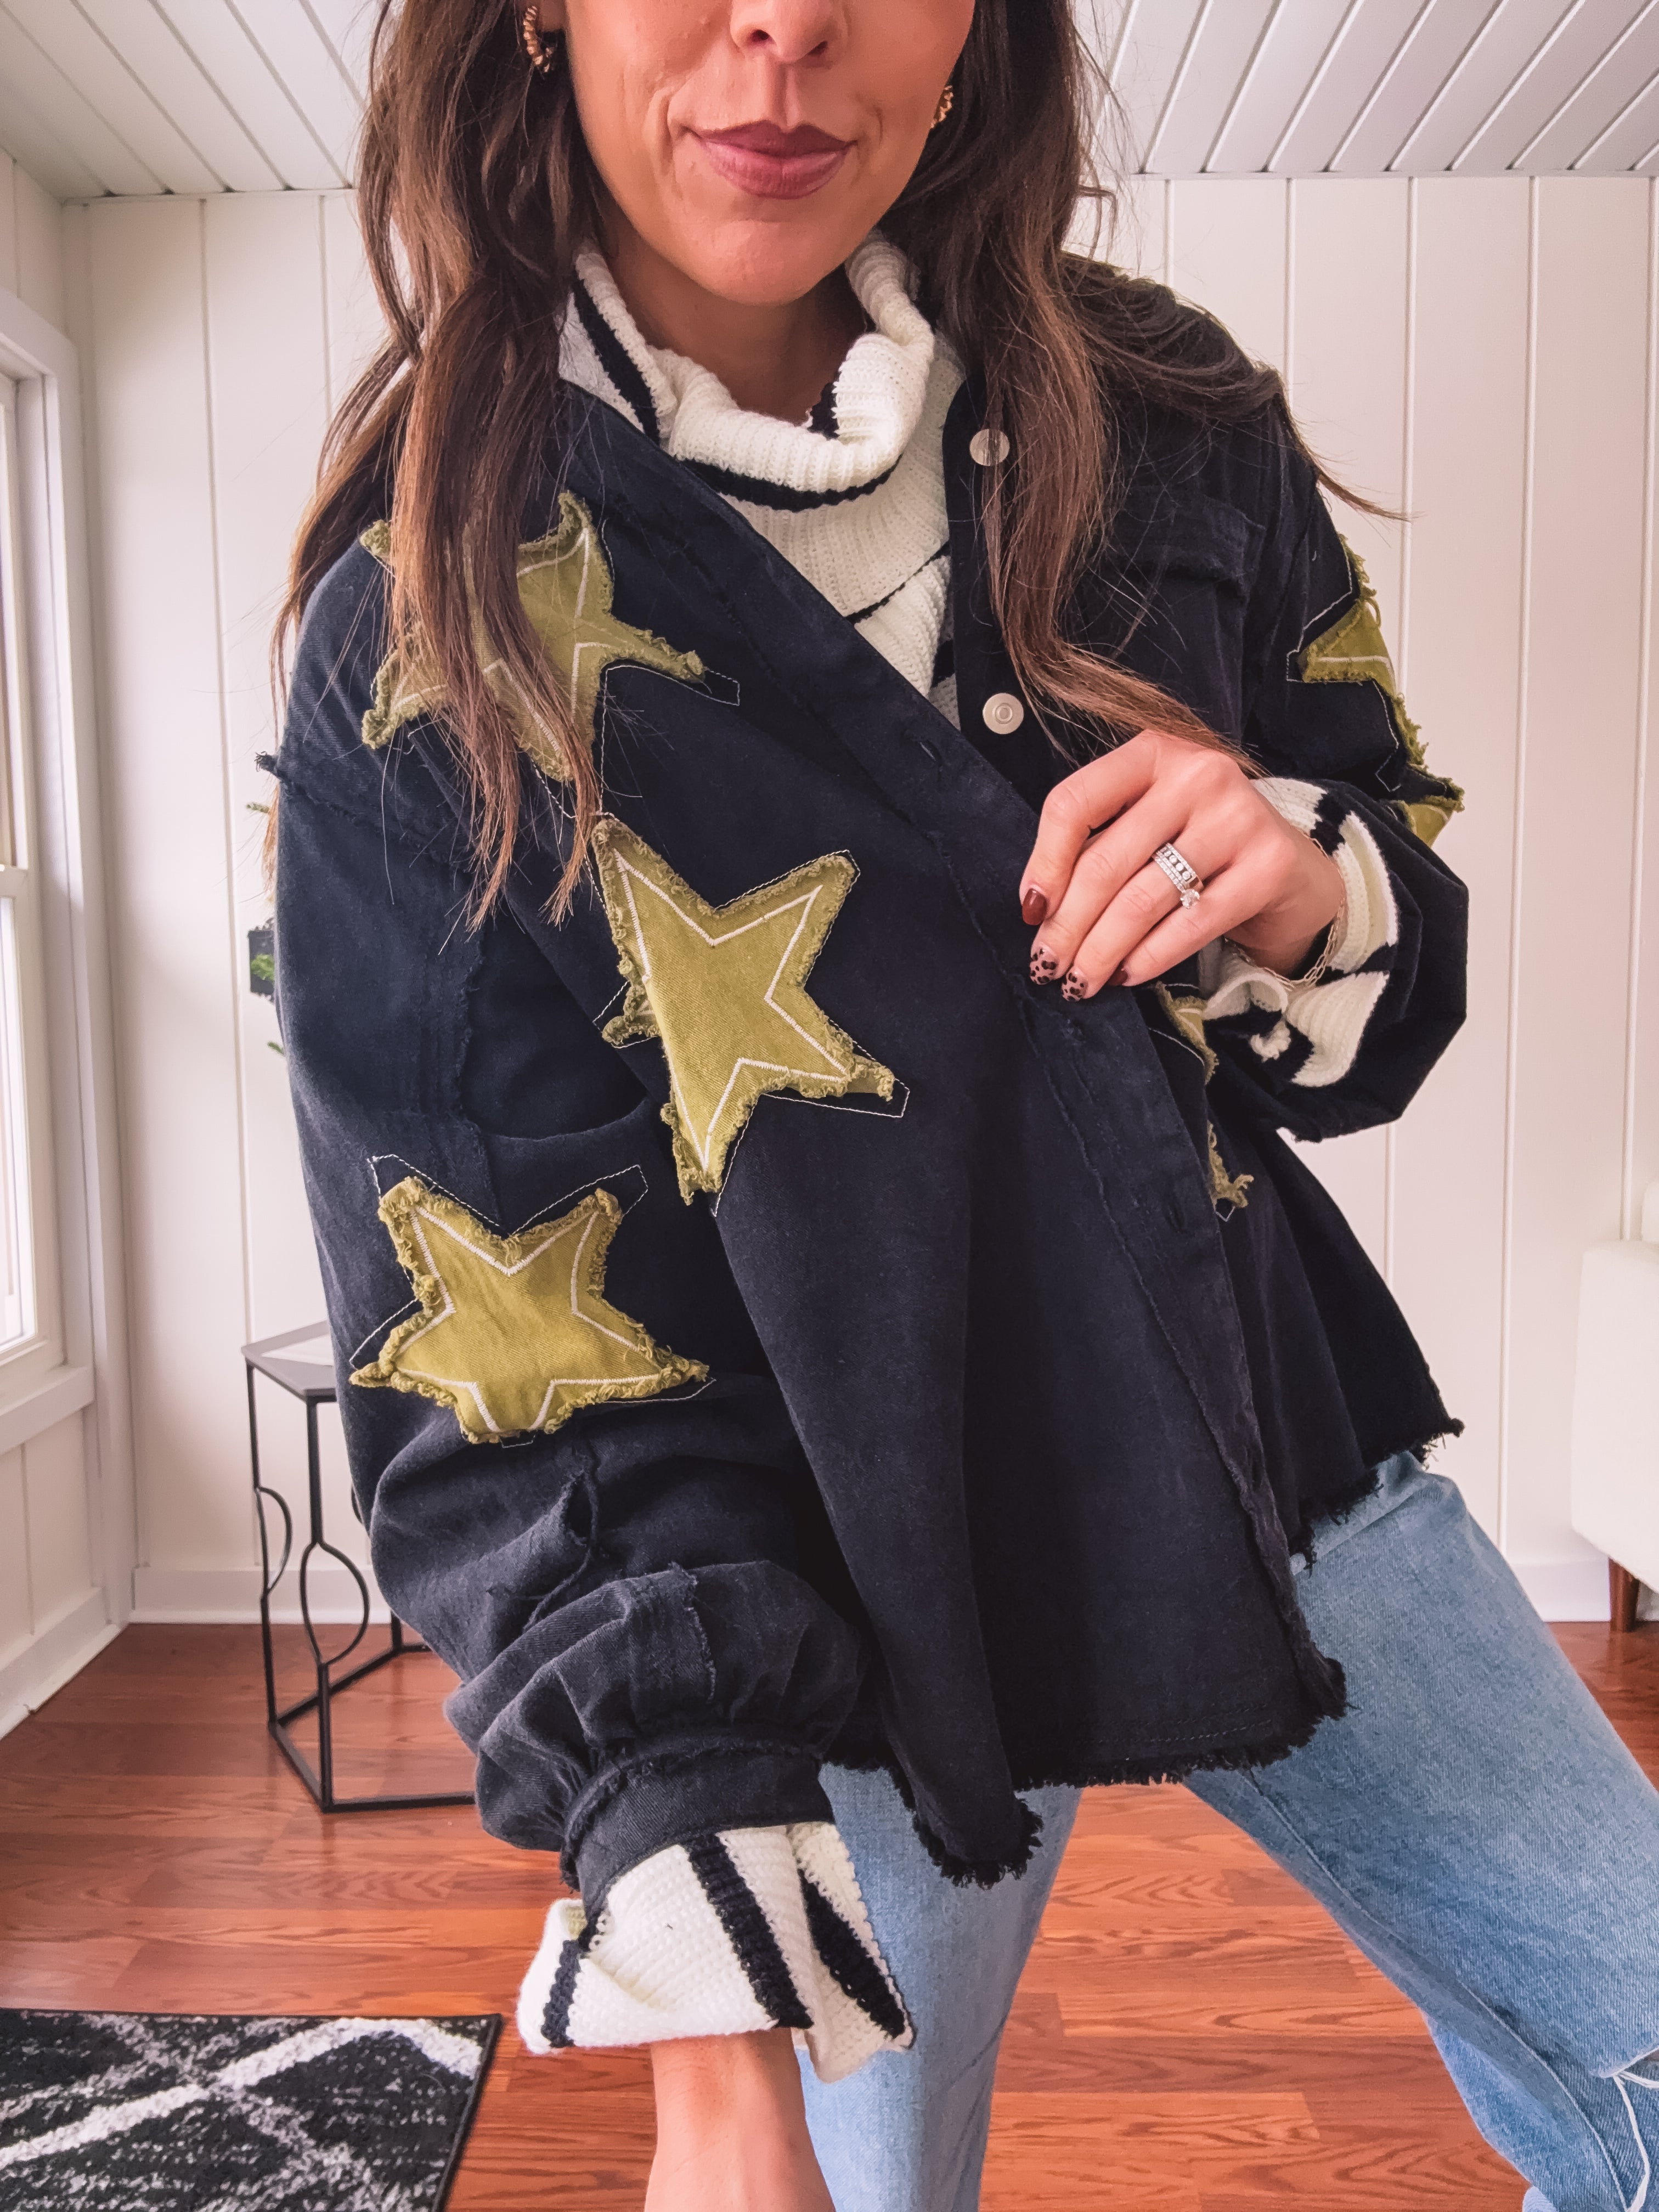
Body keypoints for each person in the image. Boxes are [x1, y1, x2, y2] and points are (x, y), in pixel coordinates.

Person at [268, 3, 1659, 2208]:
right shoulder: (420, 634)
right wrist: (716, 2050)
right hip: (817, 1598)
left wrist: (1304, 885)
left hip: (1264, 1449)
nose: (784, 26)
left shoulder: (1176, 420)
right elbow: (518, 1377)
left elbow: (1395, 978)